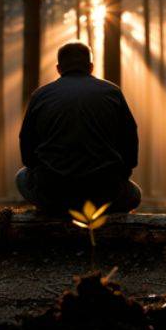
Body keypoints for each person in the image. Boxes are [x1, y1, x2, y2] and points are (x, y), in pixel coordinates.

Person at [17, 42, 142, 215]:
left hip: (54, 191)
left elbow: (27, 146)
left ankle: (55, 210)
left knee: (21, 178)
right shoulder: (112, 92)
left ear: (58, 68)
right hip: (104, 191)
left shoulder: (40, 95)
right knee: (135, 194)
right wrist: (122, 173)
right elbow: (130, 138)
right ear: (91, 67)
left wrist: (43, 171)